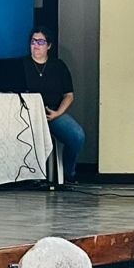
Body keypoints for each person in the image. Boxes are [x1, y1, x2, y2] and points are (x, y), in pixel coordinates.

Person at [22, 28, 83, 183]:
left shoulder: (58, 66)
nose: (36, 45)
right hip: (28, 115)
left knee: (77, 136)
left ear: (49, 45)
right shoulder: (22, 65)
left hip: (53, 113)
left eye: (41, 42)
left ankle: (68, 172)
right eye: (33, 42)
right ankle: (30, 176)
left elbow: (69, 95)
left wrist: (58, 113)